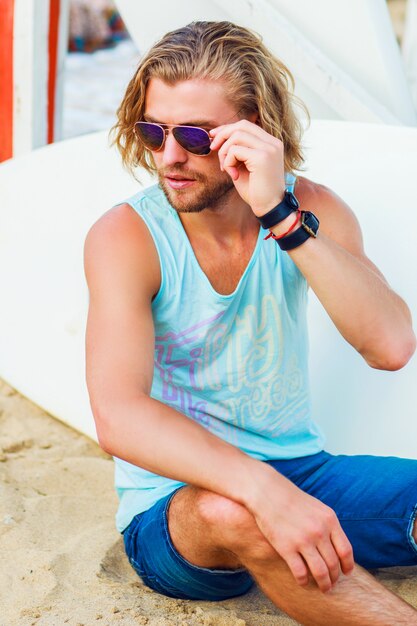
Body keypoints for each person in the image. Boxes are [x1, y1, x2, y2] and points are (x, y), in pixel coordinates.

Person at [84, 20, 417, 626]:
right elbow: (119, 415)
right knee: (236, 513)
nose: (169, 155)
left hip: (303, 473)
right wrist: (259, 490)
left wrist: (281, 217)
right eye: (154, 131)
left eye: (193, 133)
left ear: (255, 130)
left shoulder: (309, 208)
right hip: (177, 507)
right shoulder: (128, 236)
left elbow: (390, 345)